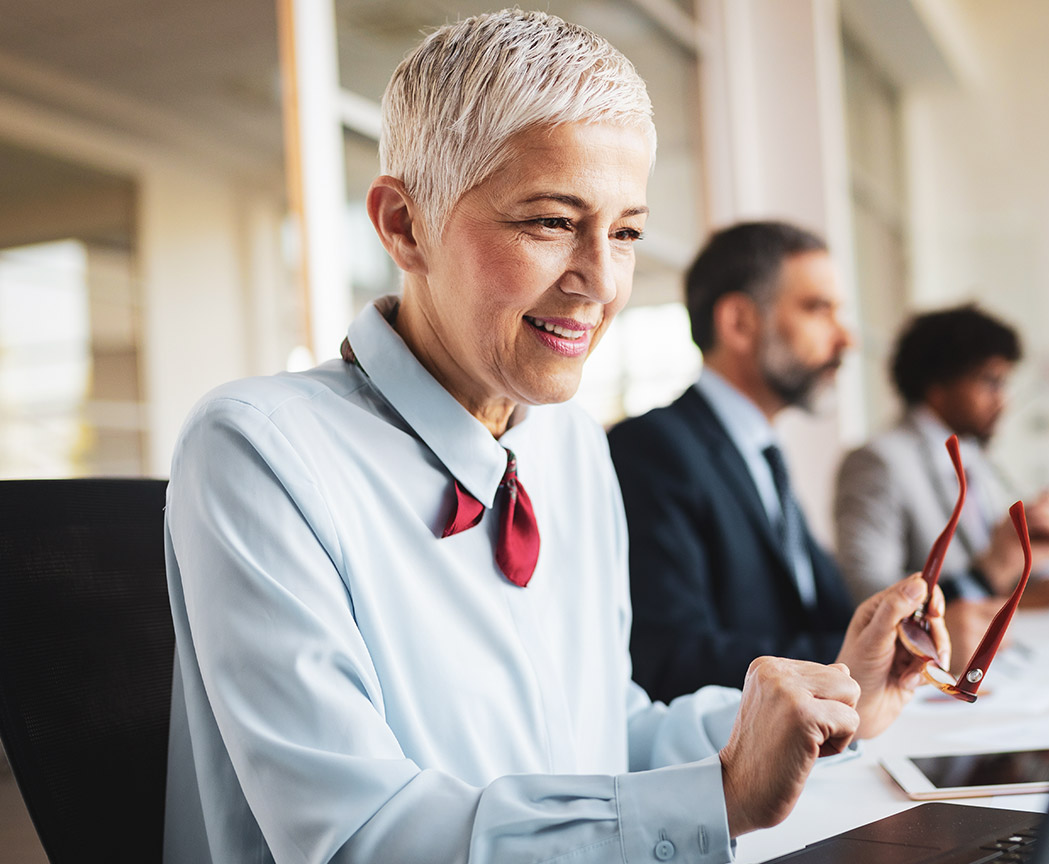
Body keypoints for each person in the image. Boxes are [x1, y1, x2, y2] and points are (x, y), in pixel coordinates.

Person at [162, 12, 948, 863]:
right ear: (403, 226)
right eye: (548, 222)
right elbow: (359, 838)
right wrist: (713, 800)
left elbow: (605, 737)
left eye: (627, 232)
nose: (601, 282)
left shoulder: (570, 446)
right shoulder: (259, 451)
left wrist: (829, 705)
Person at [608, 222, 856, 702]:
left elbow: (825, 614)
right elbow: (673, 657)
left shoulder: (764, 452)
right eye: (818, 309)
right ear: (739, 322)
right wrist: (849, 662)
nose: (846, 338)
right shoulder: (652, 449)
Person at [833, 303, 1049, 672]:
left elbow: (991, 573)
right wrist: (994, 567)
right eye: (990, 381)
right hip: (923, 682)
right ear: (938, 385)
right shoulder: (877, 462)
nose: (1003, 399)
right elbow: (868, 602)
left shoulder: (972, 454)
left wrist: (1037, 576)